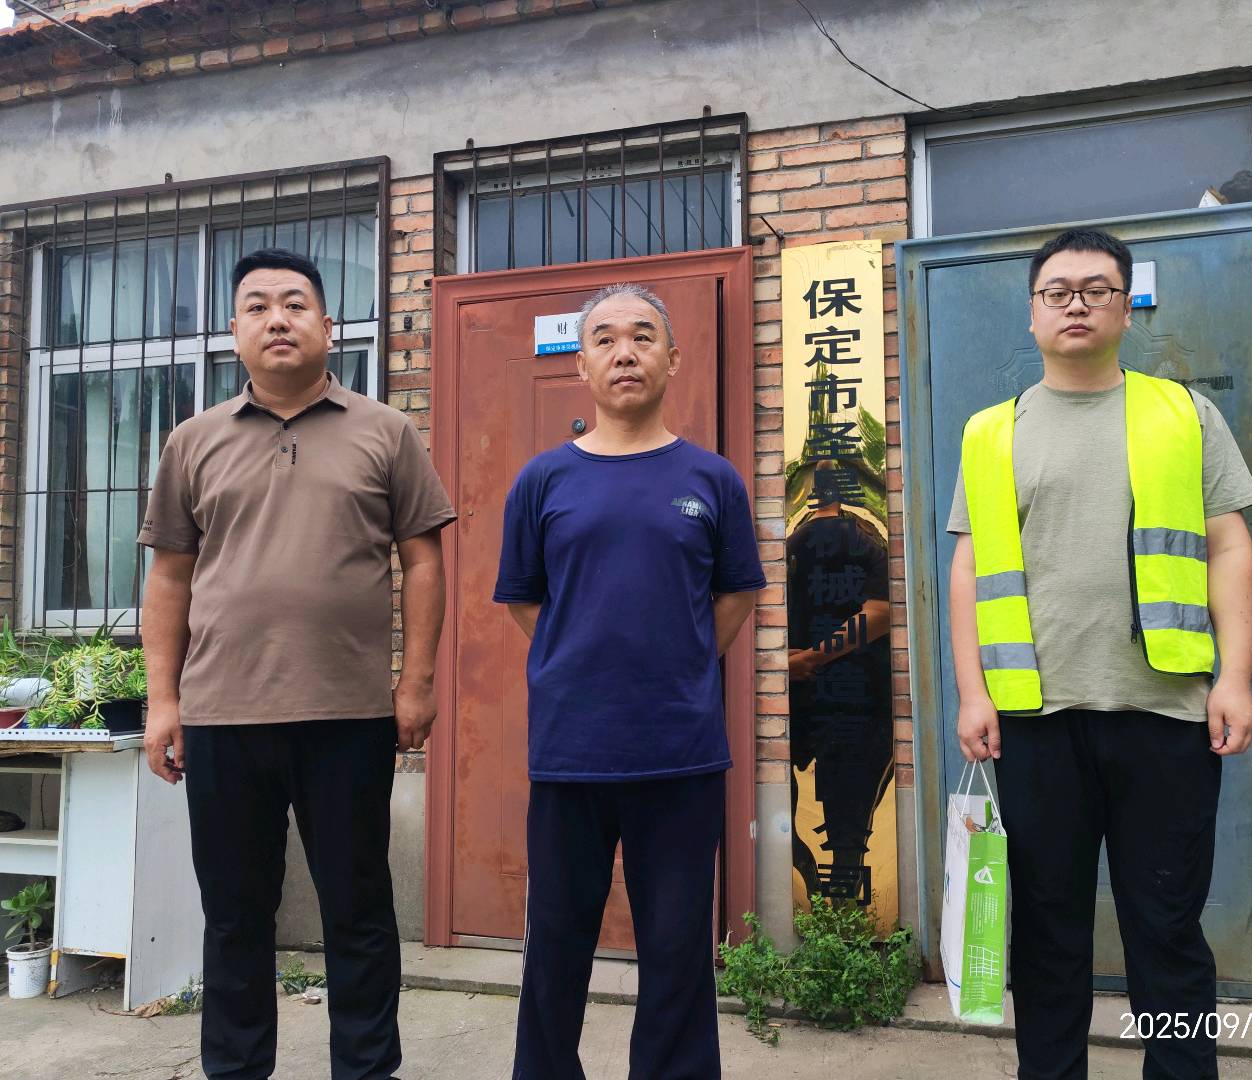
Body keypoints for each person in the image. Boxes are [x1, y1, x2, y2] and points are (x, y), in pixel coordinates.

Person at [946, 228, 1252, 1080]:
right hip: (1034, 718)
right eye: (1058, 291)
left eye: (1096, 289)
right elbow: (969, 568)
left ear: (1126, 308)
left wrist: (1233, 678)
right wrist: (972, 693)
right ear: (1033, 313)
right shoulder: (990, 432)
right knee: (1046, 934)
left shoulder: (1183, 414)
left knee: (1167, 928)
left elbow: (1230, 545)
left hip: (1165, 711)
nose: (1076, 304)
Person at [140, 248, 456, 1080]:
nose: (276, 319)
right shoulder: (194, 441)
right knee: (234, 916)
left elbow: (424, 562)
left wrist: (416, 682)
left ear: (328, 326)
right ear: (233, 331)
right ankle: (236, 1069)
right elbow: (169, 578)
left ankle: (366, 1069)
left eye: (294, 304)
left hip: (348, 715)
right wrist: (162, 701)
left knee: (359, 912)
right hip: (222, 715)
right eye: (257, 307)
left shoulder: (384, 431)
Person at [494, 283, 765, 1080]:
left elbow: (736, 596)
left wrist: (679, 660)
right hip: (570, 753)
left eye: (643, 337)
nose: (625, 353)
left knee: (678, 953)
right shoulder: (544, 480)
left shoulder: (712, 479)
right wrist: (580, 659)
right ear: (581, 365)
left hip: (680, 752)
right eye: (605, 339)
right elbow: (525, 601)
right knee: (556, 949)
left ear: (672, 359)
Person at [786, 459, 893, 904]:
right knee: (849, 821)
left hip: (813, 689)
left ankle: (822, 892)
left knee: (796, 798)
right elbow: (880, 613)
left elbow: (879, 614)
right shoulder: (866, 539)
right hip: (855, 693)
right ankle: (842, 912)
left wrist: (799, 661)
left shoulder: (790, 542)